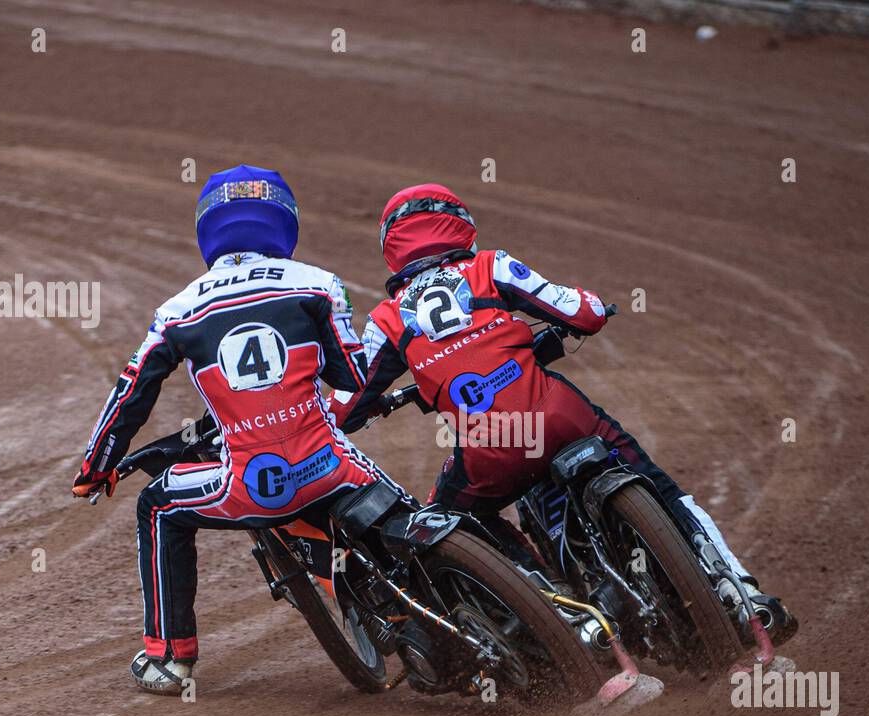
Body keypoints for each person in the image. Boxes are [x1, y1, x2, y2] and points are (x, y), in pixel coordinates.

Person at [329, 183, 795, 644]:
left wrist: (372, 403)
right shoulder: (492, 265)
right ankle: (741, 592)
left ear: (392, 248)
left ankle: (553, 611)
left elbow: (347, 406)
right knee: (663, 488)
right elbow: (582, 313)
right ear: (461, 226)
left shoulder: (387, 319)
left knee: (454, 518)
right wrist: (594, 305)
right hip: (561, 418)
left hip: (489, 451)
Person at [72, 164, 408, 694]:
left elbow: (131, 394)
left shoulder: (177, 311)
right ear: (285, 222)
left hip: (248, 486)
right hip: (332, 468)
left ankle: (169, 658)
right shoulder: (318, 283)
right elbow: (354, 378)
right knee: (408, 511)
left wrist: (96, 468)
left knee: (156, 507)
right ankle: (454, 598)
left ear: (207, 228)